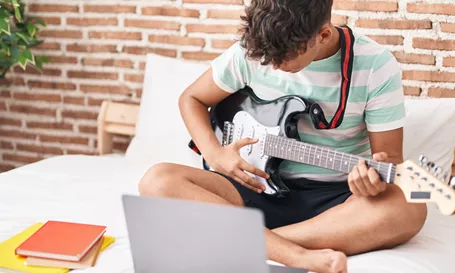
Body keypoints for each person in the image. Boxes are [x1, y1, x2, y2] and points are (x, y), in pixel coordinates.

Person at [138, 0, 427, 272]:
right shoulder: (252, 51)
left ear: (323, 35)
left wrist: (371, 185)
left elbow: (391, 161)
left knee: (412, 206)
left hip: (336, 203)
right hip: (254, 187)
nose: (272, 65)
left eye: (283, 58)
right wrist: (216, 155)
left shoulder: (375, 64)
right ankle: (297, 255)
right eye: (266, 57)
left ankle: (247, 240)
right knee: (157, 180)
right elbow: (191, 99)